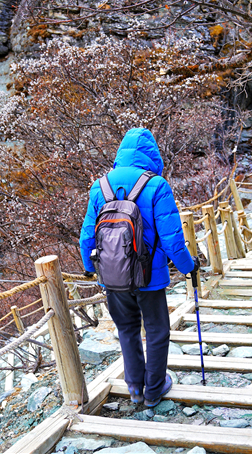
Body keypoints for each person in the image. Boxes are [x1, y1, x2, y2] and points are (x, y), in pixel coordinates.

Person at [80, 128, 196, 407]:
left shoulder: (101, 186)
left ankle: (135, 389)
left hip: (112, 278)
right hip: (149, 277)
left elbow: (87, 236)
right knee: (157, 330)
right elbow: (173, 240)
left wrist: (91, 269)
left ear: (122, 153)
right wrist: (188, 267)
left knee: (127, 330)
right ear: (151, 154)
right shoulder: (156, 185)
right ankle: (154, 389)